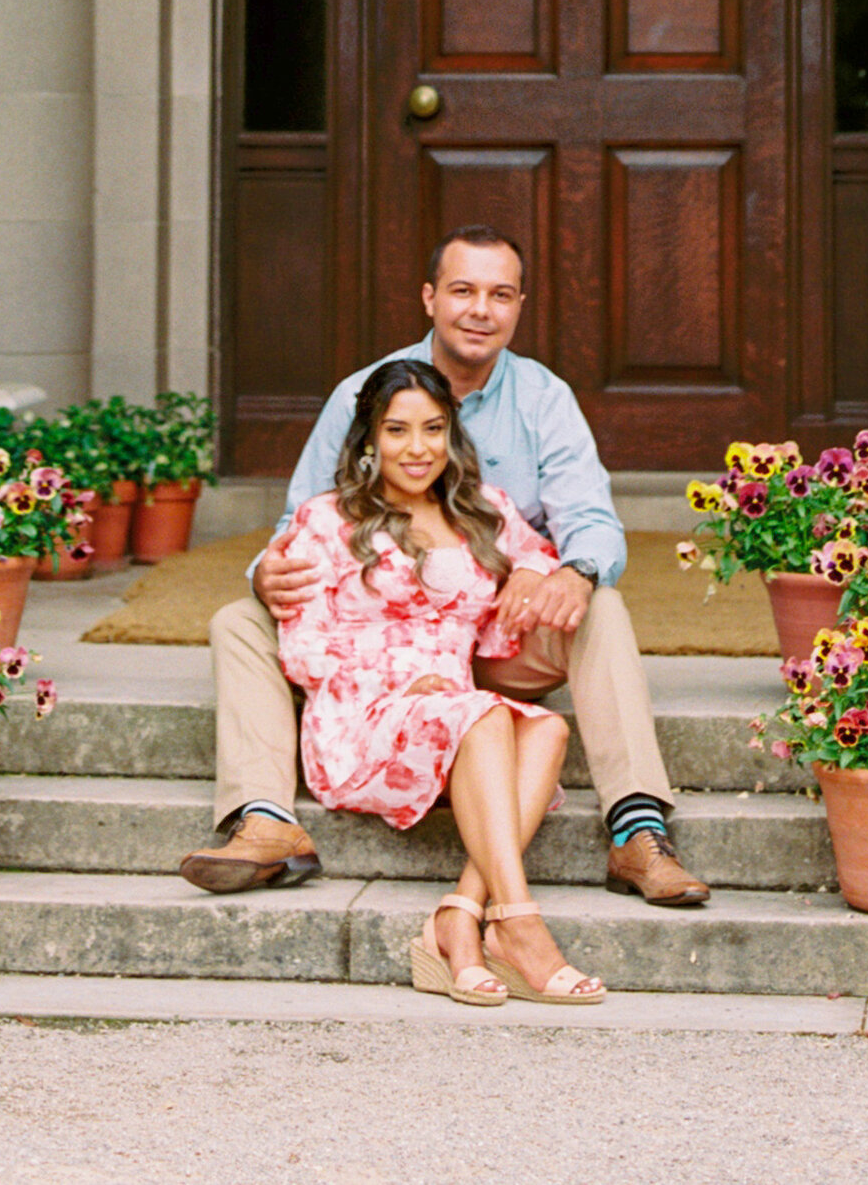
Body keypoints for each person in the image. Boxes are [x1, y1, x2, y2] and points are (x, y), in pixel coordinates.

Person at [180, 225, 709, 907]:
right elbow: (299, 526)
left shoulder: (544, 400)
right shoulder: (361, 396)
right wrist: (264, 571)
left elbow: (590, 529)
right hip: (370, 641)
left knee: (599, 601)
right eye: (463, 290)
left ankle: (637, 829)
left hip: (489, 629)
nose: (480, 310)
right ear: (430, 298)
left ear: (520, 306)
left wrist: (560, 572)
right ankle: (264, 820)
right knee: (236, 619)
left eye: (500, 294)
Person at [275, 356, 604, 1006]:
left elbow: (538, 554)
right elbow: (305, 647)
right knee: (483, 716)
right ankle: (521, 923)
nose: (418, 448)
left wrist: (532, 576)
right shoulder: (325, 521)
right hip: (361, 719)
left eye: (433, 428)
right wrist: (401, 680)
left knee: (545, 730)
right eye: (397, 431)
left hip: (450, 710)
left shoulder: (483, 512)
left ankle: (460, 913)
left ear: (452, 434)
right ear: (369, 440)